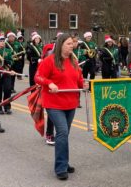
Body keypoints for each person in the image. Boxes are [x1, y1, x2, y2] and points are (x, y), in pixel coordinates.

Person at [35, 33, 87, 180]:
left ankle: (64, 161)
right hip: (54, 103)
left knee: (64, 134)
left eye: (73, 44)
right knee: (62, 132)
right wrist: (49, 83)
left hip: (71, 103)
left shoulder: (74, 61)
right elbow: (37, 77)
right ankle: (60, 168)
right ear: (61, 45)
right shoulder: (49, 60)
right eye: (69, 44)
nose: (73, 46)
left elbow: (78, 79)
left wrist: (83, 84)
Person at [0, 34, 15, 115]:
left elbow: (11, 60)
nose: (2, 43)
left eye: (3, 41)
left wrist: (8, 63)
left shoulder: (8, 51)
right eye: (0, 41)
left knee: (8, 89)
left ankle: (7, 106)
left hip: (6, 72)